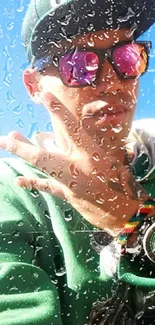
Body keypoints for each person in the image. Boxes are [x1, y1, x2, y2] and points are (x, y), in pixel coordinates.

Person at [0, 0, 155, 324]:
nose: (112, 82)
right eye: (78, 64)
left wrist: (130, 221)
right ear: (33, 86)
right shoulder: (12, 195)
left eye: (127, 59)